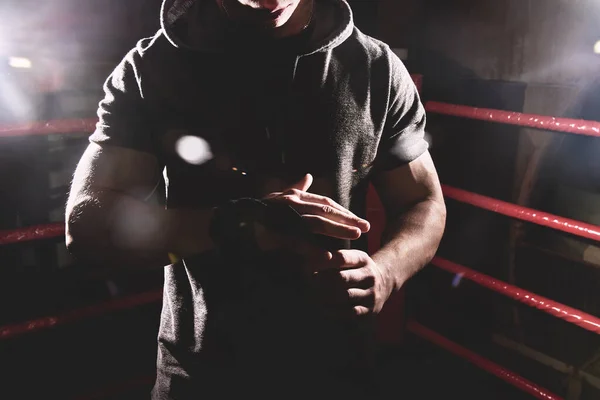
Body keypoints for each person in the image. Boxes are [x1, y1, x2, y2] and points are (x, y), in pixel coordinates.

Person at [65, 0, 446, 398]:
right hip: (201, 375)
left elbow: (423, 200)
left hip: (337, 372)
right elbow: (86, 227)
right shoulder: (153, 67)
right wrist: (239, 225)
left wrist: (386, 272)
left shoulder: (375, 68)